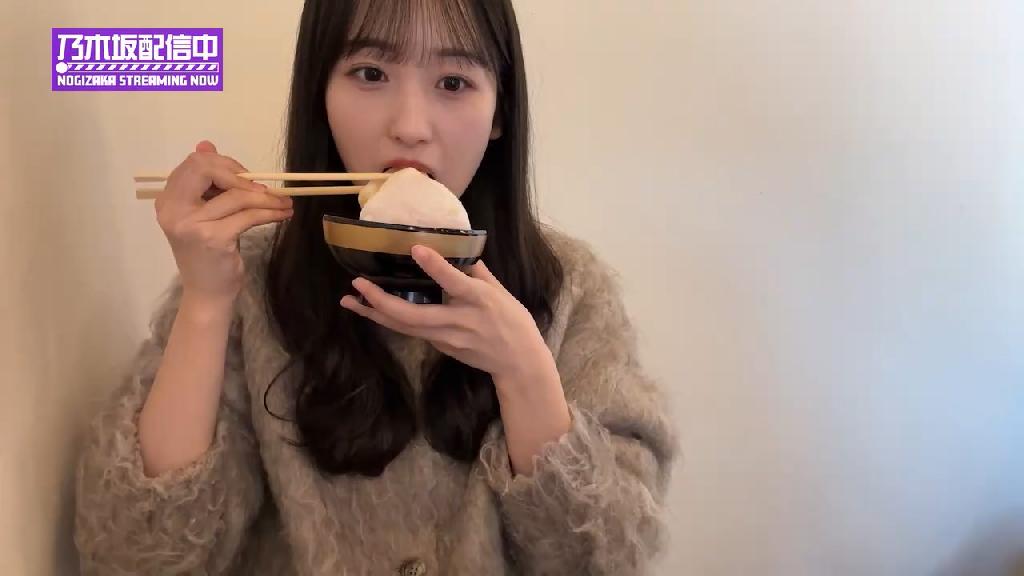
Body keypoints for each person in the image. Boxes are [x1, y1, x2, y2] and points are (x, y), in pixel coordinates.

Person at [74, 0, 676, 574]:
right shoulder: (246, 280)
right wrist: (205, 303)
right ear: (320, 92)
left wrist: (524, 374)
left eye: (453, 82)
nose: (409, 128)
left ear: (500, 113)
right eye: (370, 73)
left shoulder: (570, 289)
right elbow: (134, 559)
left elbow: (608, 562)